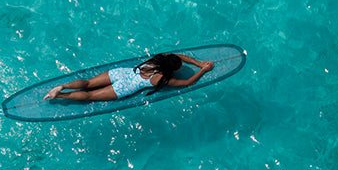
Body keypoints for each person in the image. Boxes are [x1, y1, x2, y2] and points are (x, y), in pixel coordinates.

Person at [43, 53, 215, 102]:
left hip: (121, 73)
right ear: (171, 70)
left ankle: (62, 86)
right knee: (90, 96)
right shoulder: (160, 78)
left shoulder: (157, 59)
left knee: (87, 83)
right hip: (125, 87)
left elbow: (178, 56)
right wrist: (203, 70)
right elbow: (186, 83)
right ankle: (60, 95)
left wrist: (199, 63)